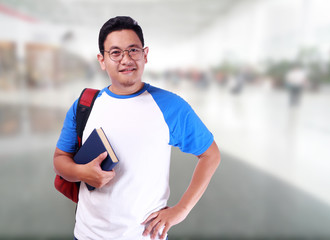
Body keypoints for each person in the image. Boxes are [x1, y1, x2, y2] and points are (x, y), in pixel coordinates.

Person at [53, 16, 220, 240]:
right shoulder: (85, 105)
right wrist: (81, 173)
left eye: (133, 50)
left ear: (145, 54)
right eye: (115, 52)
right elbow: (60, 158)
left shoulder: (170, 106)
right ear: (102, 60)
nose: (126, 59)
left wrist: (181, 210)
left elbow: (210, 155)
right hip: (86, 235)